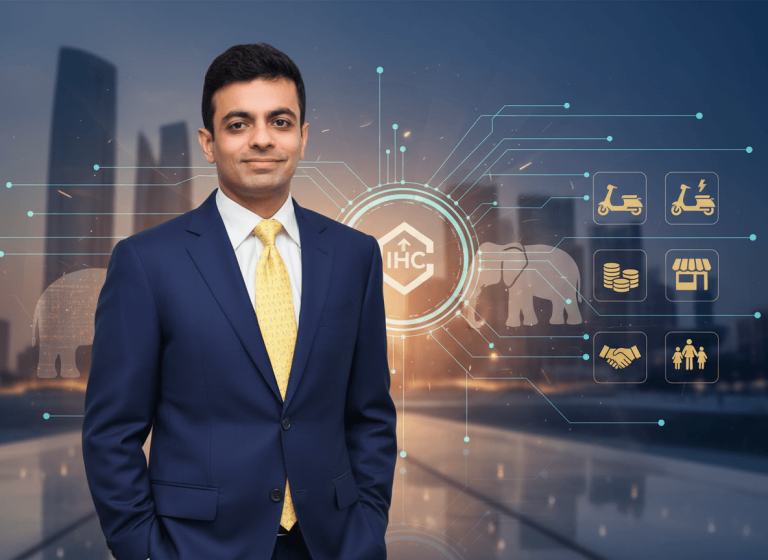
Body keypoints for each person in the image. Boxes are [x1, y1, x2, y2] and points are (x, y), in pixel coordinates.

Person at [82, 43, 398, 560]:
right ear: (208, 143)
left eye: (279, 121)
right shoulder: (147, 262)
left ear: (303, 136)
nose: (262, 139)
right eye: (238, 124)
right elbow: (111, 433)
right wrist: (145, 551)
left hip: (333, 544)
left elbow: (369, 416)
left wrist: (366, 529)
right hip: (198, 546)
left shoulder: (355, 255)